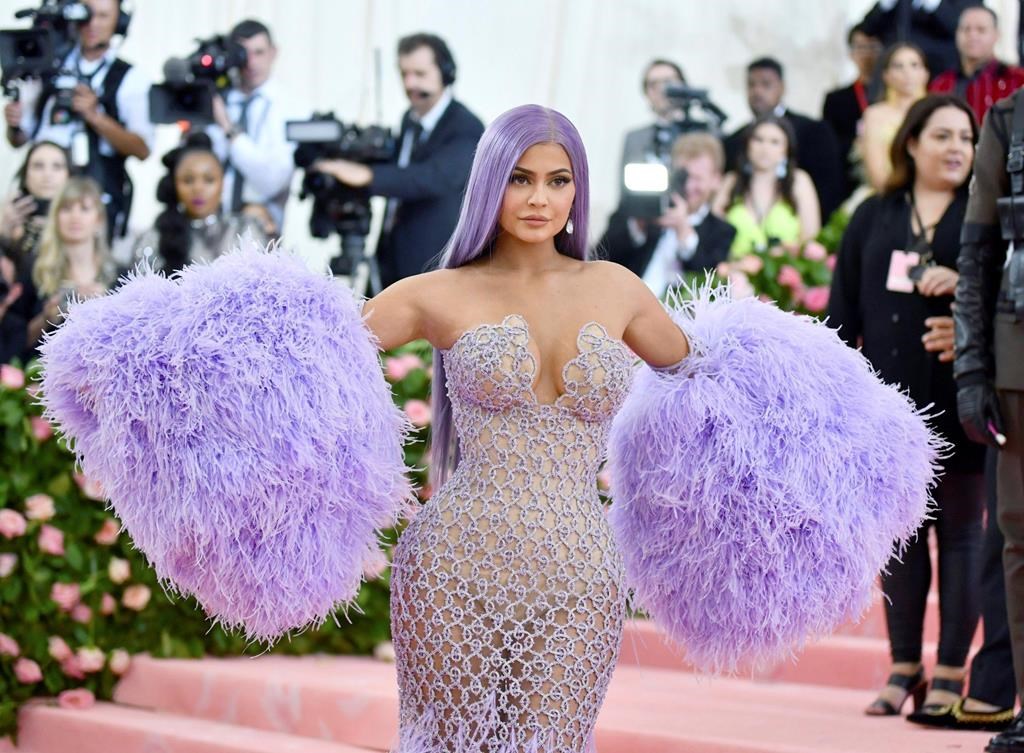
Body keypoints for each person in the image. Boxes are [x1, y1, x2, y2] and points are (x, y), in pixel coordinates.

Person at [361, 103, 690, 752]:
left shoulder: (617, 287)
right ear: (489, 182)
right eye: (520, 178)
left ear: (579, 188)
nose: (540, 197)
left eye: (558, 180)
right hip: (453, 567)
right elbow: (302, 356)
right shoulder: (439, 291)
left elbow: (715, 386)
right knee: (449, 745)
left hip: (579, 572)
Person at [827, 94, 986, 718]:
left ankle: (951, 668)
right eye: (942, 135)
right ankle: (903, 666)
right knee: (901, 539)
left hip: (961, 397)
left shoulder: (982, 215)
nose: (956, 149)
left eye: (966, 139)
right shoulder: (874, 214)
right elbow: (842, 312)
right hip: (888, 408)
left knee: (963, 538)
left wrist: (964, 290)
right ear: (912, 143)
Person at [953, 85, 1024, 753]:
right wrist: (971, 366)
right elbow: (976, 253)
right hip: (1016, 353)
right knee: (1019, 536)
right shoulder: (1008, 118)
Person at [312, 33, 484, 289]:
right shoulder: (409, 120)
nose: (410, 83)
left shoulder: (466, 126)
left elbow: (432, 177)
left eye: (420, 73)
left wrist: (368, 175)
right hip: (389, 258)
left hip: (433, 265)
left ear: (446, 72)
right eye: (404, 74)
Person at [3, 0, 152, 240]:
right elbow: (20, 139)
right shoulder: (47, 64)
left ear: (119, 22)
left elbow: (142, 149)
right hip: (42, 198)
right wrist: (14, 123)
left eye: (103, 16)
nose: (92, 24)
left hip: (94, 200)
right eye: (86, 15)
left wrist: (96, 117)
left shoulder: (130, 78)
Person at [601, 132, 736, 296]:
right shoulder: (641, 211)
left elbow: (710, 282)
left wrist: (684, 230)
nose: (688, 186)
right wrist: (638, 227)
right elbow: (600, 257)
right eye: (682, 176)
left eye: (697, 178)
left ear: (716, 180)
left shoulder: (721, 231)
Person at [7, 177, 117, 360]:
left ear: (98, 220)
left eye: (84, 209)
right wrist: (46, 317)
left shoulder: (119, 275)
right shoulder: (34, 272)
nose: (75, 216)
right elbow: (11, 342)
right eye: (66, 209)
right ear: (55, 217)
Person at [723, 57, 843, 222]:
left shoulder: (814, 131)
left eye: (766, 84)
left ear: (782, 87)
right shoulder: (733, 141)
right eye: (751, 85)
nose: (757, 91)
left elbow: (829, 188)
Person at [208, 19, 297, 236]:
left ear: (273, 52)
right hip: (210, 229)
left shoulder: (290, 106)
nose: (251, 62)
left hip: (262, 231)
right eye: (243, 54)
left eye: (259, 52)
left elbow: (272, 179)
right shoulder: (218, 100)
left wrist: (229, 129)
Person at [132, 133, 266, 275]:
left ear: (223, 183)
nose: (198, 189)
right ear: (174, 184)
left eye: (209, 180)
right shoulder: (154, 237)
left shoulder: (244, 230)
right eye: (188, 180)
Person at [713, 115, 820, 258]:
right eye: (758, 140)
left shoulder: (798, 181)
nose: (765, 148)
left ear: (786, 149)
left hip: (784, 274)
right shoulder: (731, 182)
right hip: (733, 275)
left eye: (774, 142)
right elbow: (711, 235)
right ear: (747, 144)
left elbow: (811, 240)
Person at [929, 6, 1024, 126]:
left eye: (981, 30)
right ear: (956, 34)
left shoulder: (1017, 80)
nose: (972, 36)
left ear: (996, 35)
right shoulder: (941, 84)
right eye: (966, 29)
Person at [823, 24, 884, 199]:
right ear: (851, 53)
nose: (867, 53)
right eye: (860, 47)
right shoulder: (836, 100)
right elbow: (831, 144)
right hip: (849, 179)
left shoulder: (892, 96)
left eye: (873, 47)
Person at [860, 42, 930, 193]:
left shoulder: (937, 112)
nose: (907, 72)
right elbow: (876, 173)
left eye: (914, 65)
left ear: (925, 73)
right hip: (887, 194)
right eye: (898, 66)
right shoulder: (874, 114)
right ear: (886, 75)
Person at [859, 0, 979, 80]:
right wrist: (886, 3)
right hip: (894, 78)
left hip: (940, 75)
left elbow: (964, 28)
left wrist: (933, 4)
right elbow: (866, 30)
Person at [0, 141, 70, 272]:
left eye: (57, 166)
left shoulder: (84, 217)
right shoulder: (6, 215)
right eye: (38, 166)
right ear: (25, 174)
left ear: (69, 175)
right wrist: (4, 234)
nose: (47, 174)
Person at [620, 59, 687, 174]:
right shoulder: (635, 140)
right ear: (646, 93)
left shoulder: (706, 133)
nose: (661, 89)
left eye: (668, 82)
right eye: (653, 85)